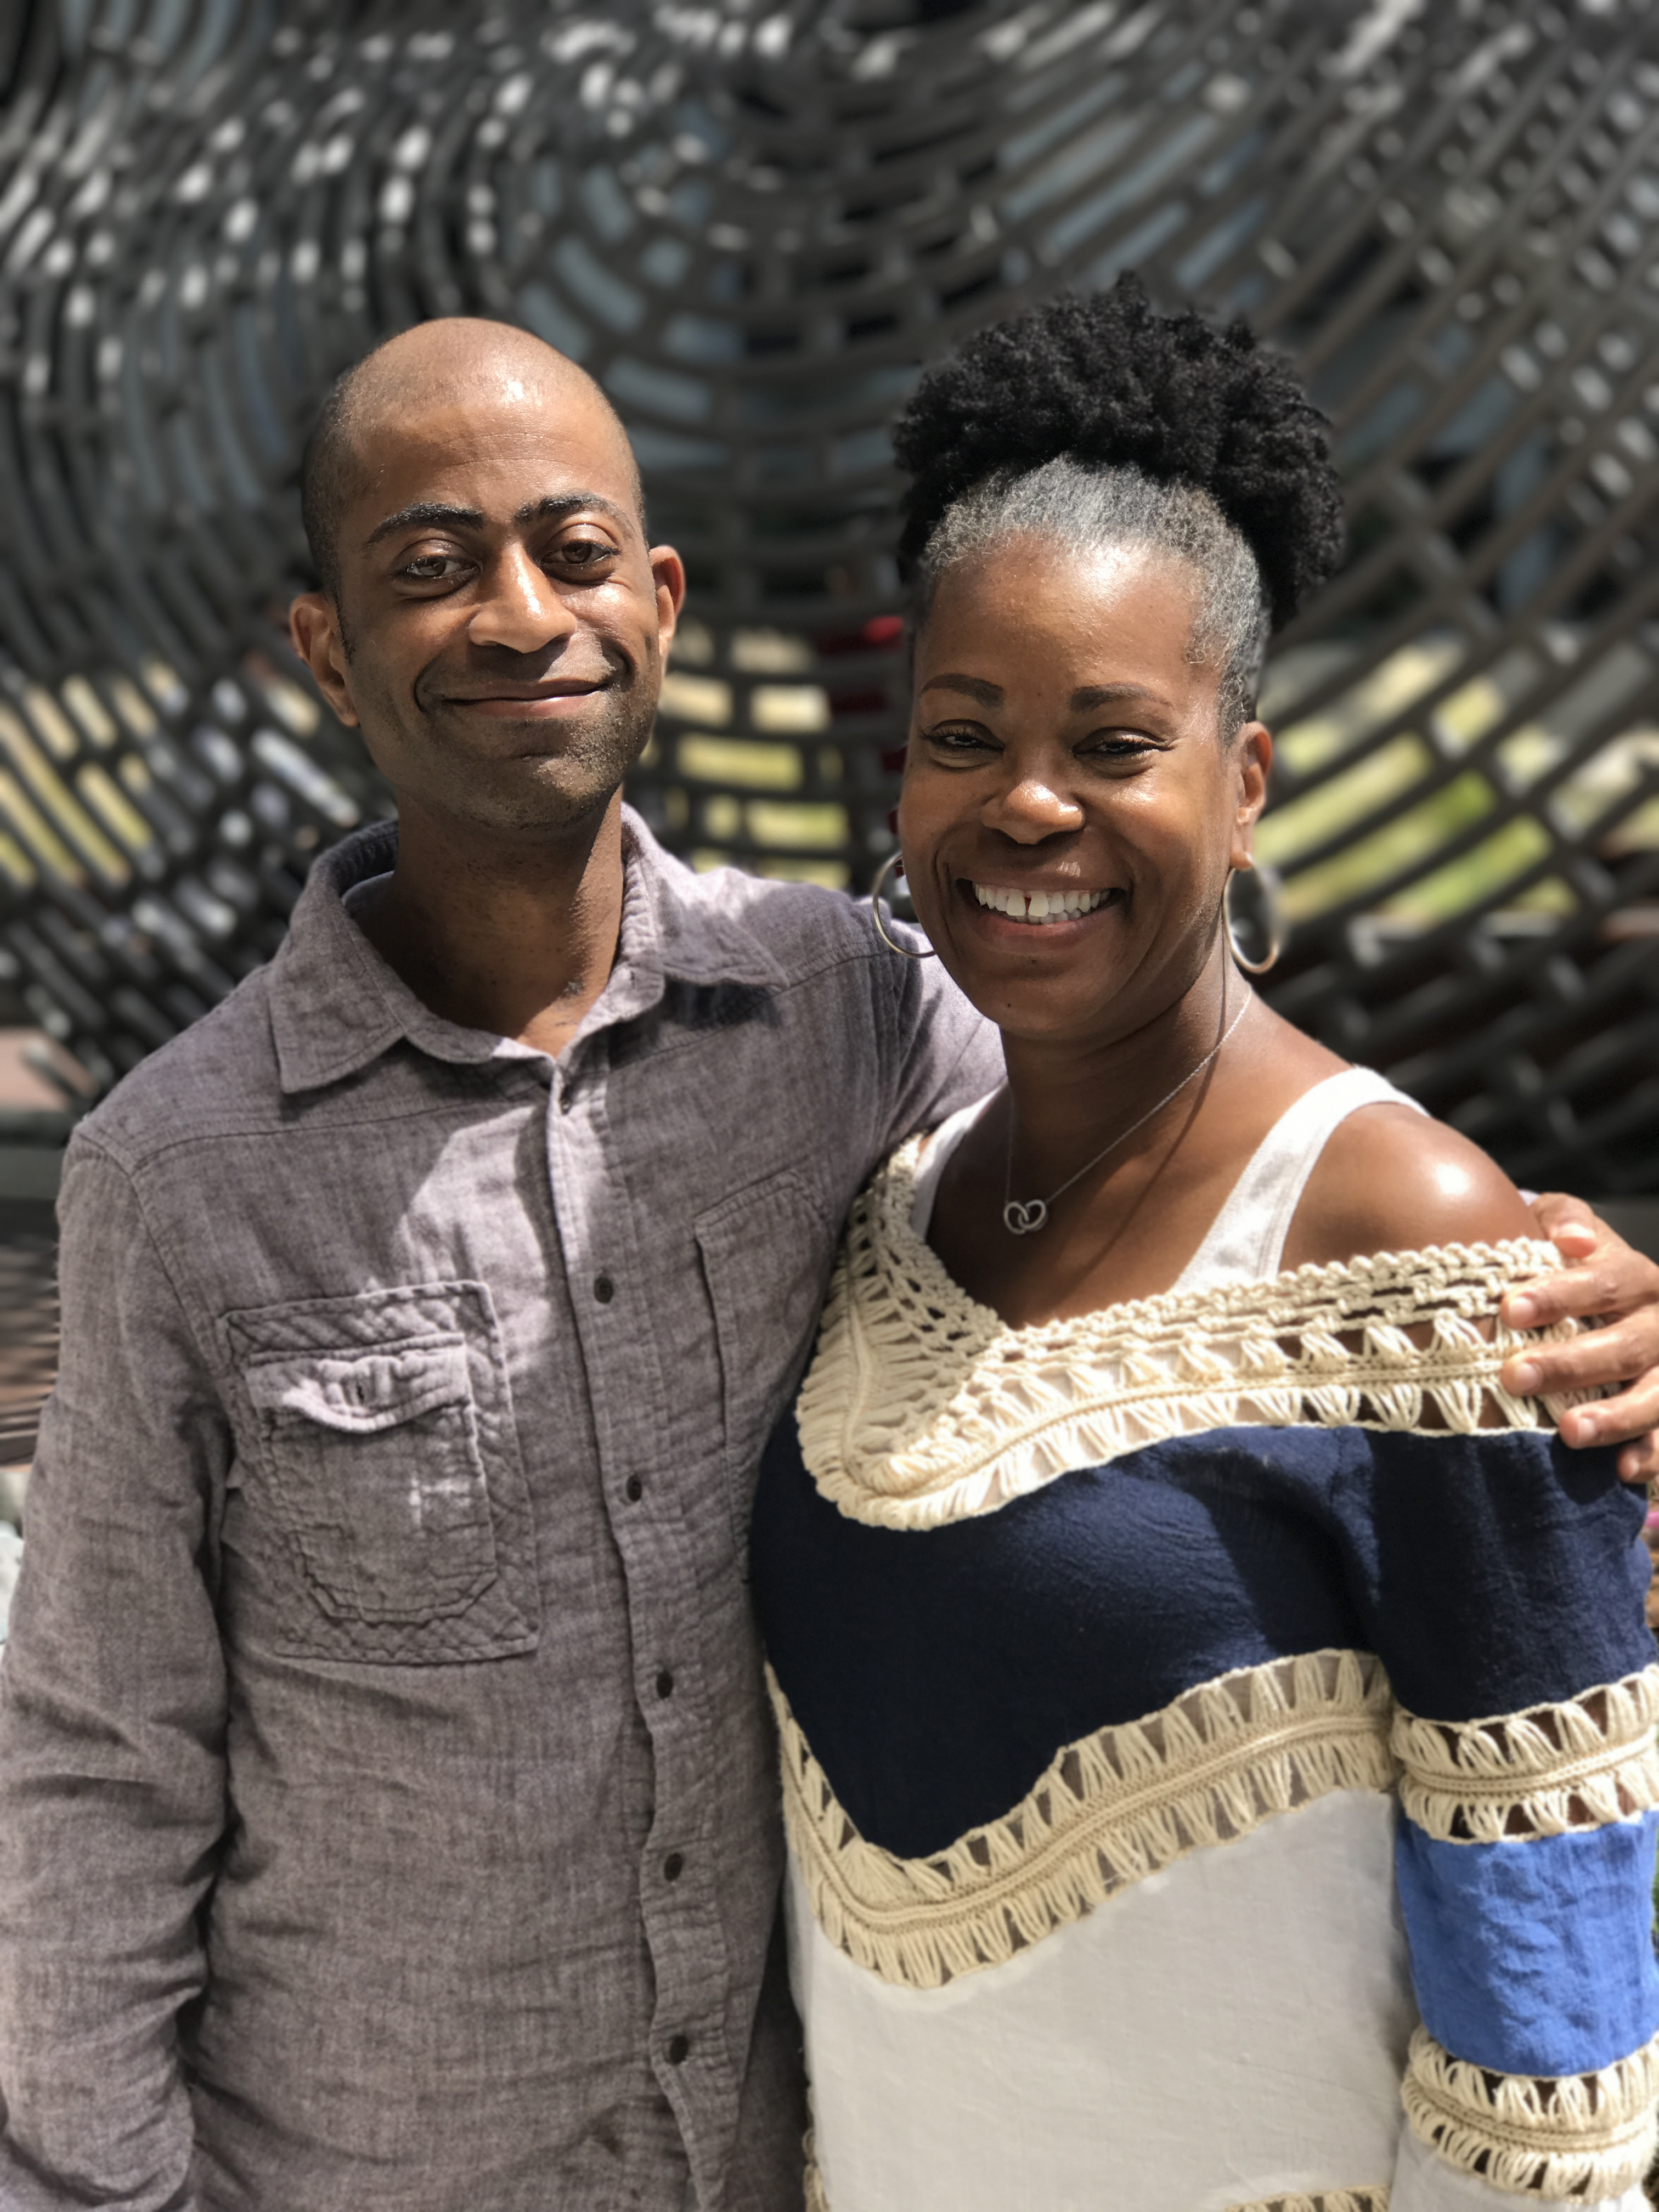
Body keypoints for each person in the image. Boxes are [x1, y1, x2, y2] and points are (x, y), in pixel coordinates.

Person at [0, 314, 1652, 2212]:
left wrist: (1566, 1313)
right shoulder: (178, 1175)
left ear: (664, 599)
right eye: (431, 568)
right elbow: (97, 1768)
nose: (522, 614)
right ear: (326, 649)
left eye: (575, 549)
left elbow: (1212, 1135)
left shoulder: (846, 1019)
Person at [750, 282, 1659, 2212]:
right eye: (964, 734)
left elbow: (1553, 1964)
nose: (1027, 806)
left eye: (1115, 740)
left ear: (1245, 783)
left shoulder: (1397, 1231)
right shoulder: (893, 1200)